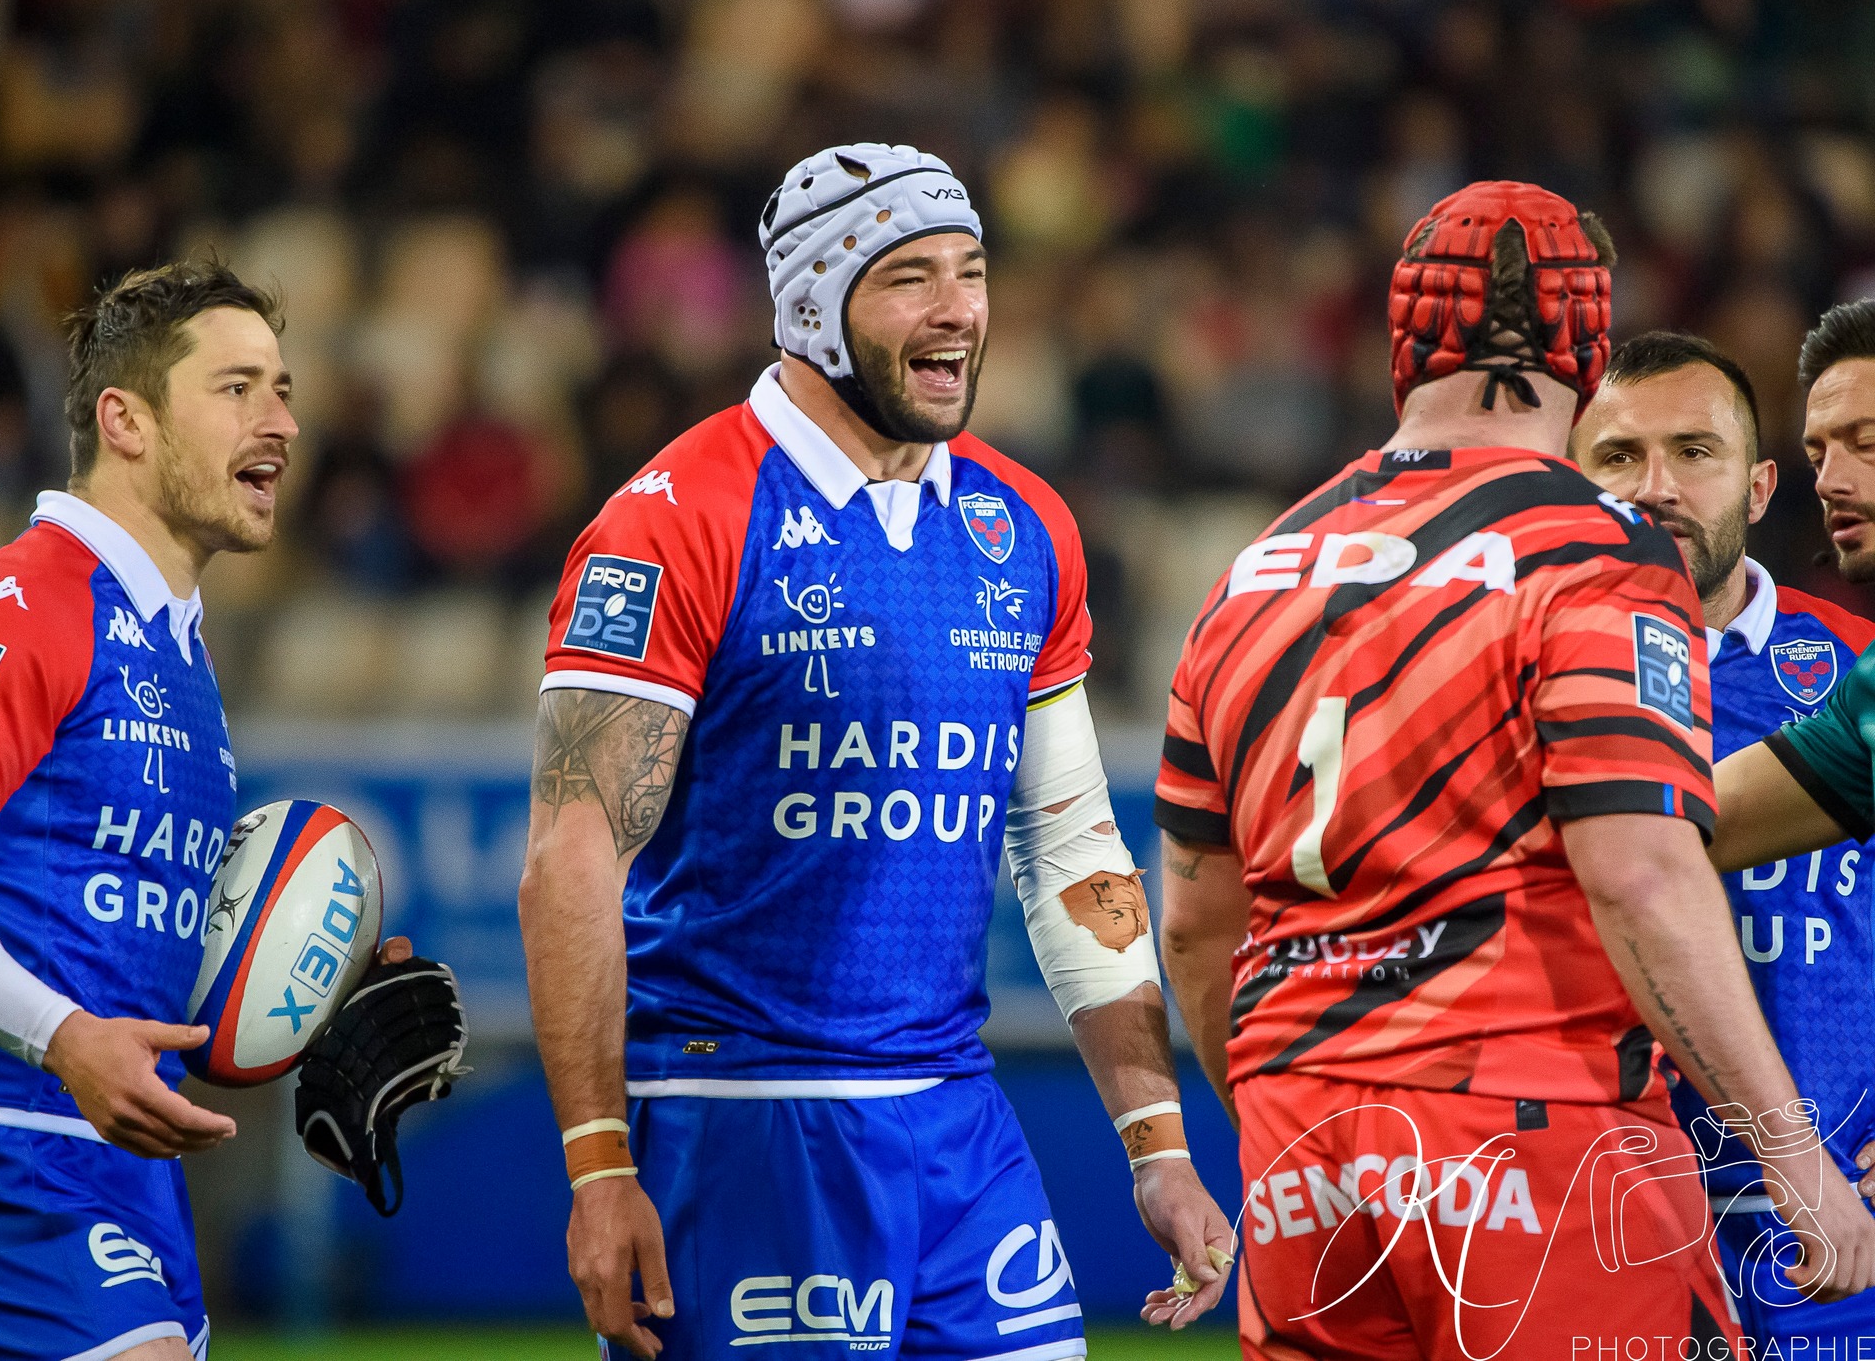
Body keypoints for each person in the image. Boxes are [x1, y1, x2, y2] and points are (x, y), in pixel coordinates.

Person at [521, 142, 1235, 1361]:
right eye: (909, 277)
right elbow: (569, 862)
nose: (958, 308)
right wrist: (597, 1168)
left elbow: (1069, 846)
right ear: (809, 306)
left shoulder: (1024, 526)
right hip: (740, 1119)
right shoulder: (676, 519)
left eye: (970, 270)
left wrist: (1155, 1145)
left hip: (955, 1120)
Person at [1151, 181, 1875, 1360]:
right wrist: (1793, 1154)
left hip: (1302, 1150)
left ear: (1396, 347)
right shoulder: (1591, 551)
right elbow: (1640, 874)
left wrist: (1289, 1132)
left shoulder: (1252, 573)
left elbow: (1191, 923)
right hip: (1530, 1141)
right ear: (1585, 354)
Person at [0, 261, 400, 1360]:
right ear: (124, 420)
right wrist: (65, 1037)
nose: (280, 422)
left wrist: (309, 986)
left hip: (118, 1170)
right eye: (235, 389)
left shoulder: (174, 646)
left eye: (283, 389)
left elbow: (119, 926)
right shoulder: (25, 604)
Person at [1570, 329, 1875, 1350]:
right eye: (1615, 457)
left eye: (1692, 452)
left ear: (1754, 489)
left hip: (1834, 1245)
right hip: (1598, 1224)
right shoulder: (1511, 684)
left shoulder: (1849, 669)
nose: (1652, 487)